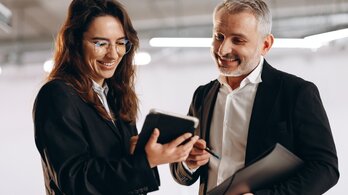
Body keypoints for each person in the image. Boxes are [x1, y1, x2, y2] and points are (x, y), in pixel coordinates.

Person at [170, 0, 339, 194]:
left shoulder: (297, 93)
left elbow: (325, 168)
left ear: (265, 45)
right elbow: (181, 173)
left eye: (238, 40)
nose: (222, 50)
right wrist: (189, 162)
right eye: (219, 36)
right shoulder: (203, 95)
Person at [33, 0, 198, 194]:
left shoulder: (116, 95)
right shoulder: (57, 95)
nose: (113, 54)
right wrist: (146, 160)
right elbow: (75, 180)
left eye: (120, 43)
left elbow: (120, 171)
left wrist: (144, 153)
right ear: (75, 42)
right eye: (100, 43)